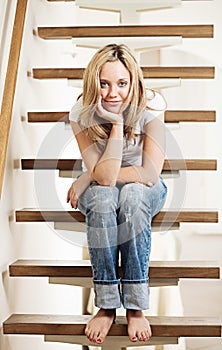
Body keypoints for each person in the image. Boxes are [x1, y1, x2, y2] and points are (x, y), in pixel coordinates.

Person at [67, 43, 167, 344]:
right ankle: (107, 303)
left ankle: (135, 304)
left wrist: (89, 174)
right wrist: (115, 125)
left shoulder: (152, 106)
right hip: (102, 190)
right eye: (104, 84)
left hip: (144, 189)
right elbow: (106, 182)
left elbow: (149, 173)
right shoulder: (80, 112)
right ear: (92, 84)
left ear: (133, 82)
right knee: (102, 197)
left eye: (122, 83)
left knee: (132, 196)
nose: (113, 93)